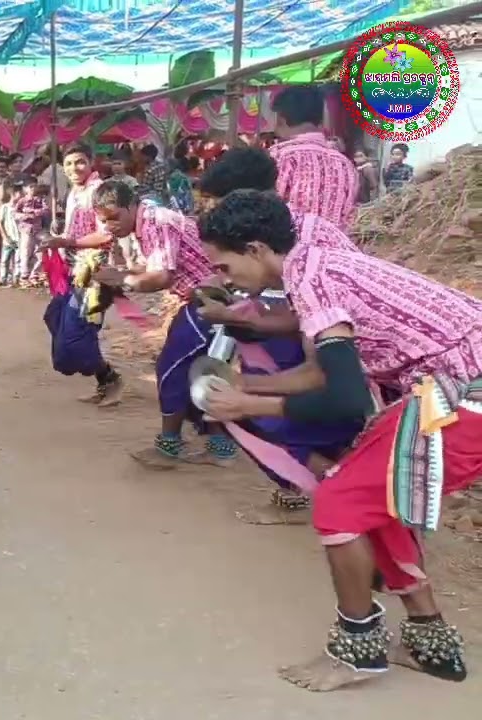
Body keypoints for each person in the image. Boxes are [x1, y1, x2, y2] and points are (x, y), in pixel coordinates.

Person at [197, 189, 480, 692]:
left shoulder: (312, 278)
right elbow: (321, 373)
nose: (224, 279)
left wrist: (250, 406)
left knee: (340, 499)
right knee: (372, 496)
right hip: (448, 391)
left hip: (465, 397)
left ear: (257, 249)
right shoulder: (316, 265)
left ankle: (358, 652)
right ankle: (429, 642)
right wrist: (247, 385)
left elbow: (346, 400)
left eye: (225, 266)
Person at [192, 147, 365, 525]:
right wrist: (244, 385)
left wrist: (249, 399)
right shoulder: (297, 258)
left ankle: (344, 496)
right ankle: (335, 493)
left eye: (224, 209)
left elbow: (340, 389)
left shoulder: (306, 267)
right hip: (325, 348)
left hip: (449, 376)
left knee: (314, 418)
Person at [89, 180, 238, 468]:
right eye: (104, 220)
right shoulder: (148, 222)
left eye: (114, 217)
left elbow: (162, 276)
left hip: (211, 301)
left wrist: (125, 282)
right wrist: (121, 272)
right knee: (200, 370)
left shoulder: (155, 222)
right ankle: (220, 445)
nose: (109, 226)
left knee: (172, 367)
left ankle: (170, 445)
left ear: (132, 205)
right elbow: (160, 265)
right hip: (206, 299)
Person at [41, 145, 123, 406]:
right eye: (68, 164)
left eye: (80, 162)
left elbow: (107, 234)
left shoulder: (99, 191)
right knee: (55, 318)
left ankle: (109, 379)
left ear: (91, 163)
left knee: (76, 335)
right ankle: (104, 377)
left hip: (95, 275)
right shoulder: (75, 191)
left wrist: (67, 241)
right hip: (74, 272)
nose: (74, 168)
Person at [267, 86, 359, 228]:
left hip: (290, 248)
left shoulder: (278, 157)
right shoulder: (345, 164)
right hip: (337, 247)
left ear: (280, 119)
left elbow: (265, 213)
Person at [11, 175, 49, 287]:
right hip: (26, 230)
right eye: (30, 187)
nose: (32, 189)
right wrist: (25, 215)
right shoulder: (22, 201)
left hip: (38, 229)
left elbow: (46, 210)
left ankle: (34, 274)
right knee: (25, 253)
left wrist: (35, 212)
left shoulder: (40, 200)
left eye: (34, 186)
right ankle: (24, 276)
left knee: (42, 253)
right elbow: (14, 214)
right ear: (25, 189)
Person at [0, 178, 22, 286]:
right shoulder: (5, 207)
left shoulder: (21, 207)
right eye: (19, 193)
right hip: (8, 238)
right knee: (4, 260)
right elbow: (0, 223)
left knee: (17, 260)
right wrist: (4, 236)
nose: (21, 195)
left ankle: (15, 278)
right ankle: (3, 278)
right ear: (13, 194)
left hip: (19, 238)